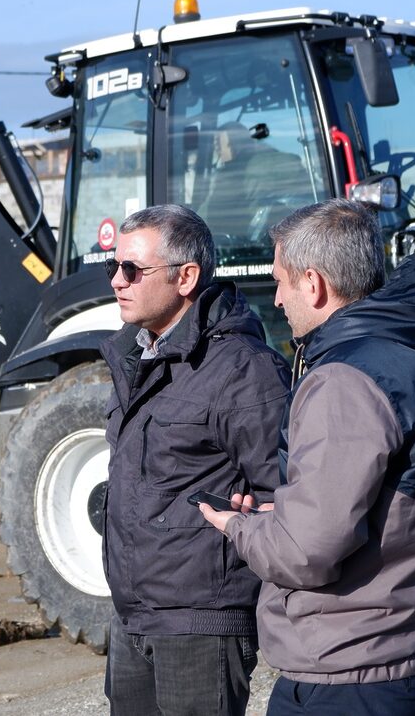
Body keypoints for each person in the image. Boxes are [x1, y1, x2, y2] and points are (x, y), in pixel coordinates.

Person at [201, 199, 415, 715]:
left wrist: (239, 528)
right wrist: (285, 515)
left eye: (281, 281)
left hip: (350, 673)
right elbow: (398, 505)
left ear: (313, 284)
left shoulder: (344, 381)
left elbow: (304, 553)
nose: (279, 299)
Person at [99, 204, 290, 716]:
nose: (118, 281)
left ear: (186, 277)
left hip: (202, 623)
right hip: (133, 616)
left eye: (132, 270)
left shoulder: (241, 371)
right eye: (113, 267)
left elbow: (289, 496)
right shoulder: (133, 359)